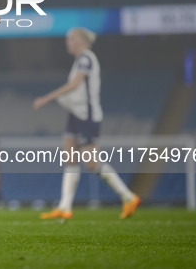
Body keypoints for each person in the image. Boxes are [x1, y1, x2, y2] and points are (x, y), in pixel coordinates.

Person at [33, 27, 140, 220]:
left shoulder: (86, 58)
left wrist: (47, 98)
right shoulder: (79, 61)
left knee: (91, 163)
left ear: (81, 40)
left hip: (87, 116)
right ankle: (65, 207)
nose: (68, 43)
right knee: (69, 159)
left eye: (70, 39)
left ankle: (129, 197)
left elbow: (74, 84)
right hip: (75, 115)